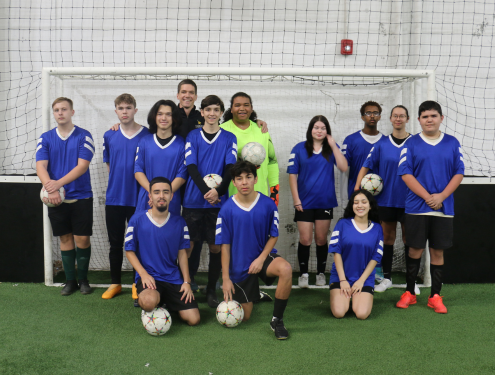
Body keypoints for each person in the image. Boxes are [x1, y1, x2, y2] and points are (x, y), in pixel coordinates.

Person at [396, 101, 464, 314]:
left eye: (433, 116)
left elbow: (459, 172)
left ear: (441, 118)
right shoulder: (411, 143)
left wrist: (442, 196)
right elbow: (406, 173)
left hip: (443, 207)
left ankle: (435, 296)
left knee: (437, 252)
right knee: (414, 249)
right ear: (418, 120)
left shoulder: (452, 143)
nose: (429, 120)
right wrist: (428, 197)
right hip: (417, 206)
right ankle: (409, 293)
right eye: (425, 116)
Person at [216, 161, 293, 340]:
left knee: (286, 269)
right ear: (233, 182)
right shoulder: (226, 210)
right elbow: (224, 246)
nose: (244, 182)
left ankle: (277, 320)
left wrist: (261, 259)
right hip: (240, 266)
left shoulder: (268, 204)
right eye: (239, 179)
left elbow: (273, 235)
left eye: (248, 177)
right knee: (244, 317)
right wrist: (226, 279)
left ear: (255, 179)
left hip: (262, 257)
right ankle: (255, 293)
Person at [36, 97, 95, 296]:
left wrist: (57, 184)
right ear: (53, 113)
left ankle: (83, 279)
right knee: (65, 237)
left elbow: (82, 166)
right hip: (55, 198)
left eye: (64, 109)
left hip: (81, 196)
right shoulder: (45, 138)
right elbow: (40, 165)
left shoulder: (84, 136)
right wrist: (50, 188)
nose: (60, 113)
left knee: (82, 239)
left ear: (72, 112)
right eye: (56, 110)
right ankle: (70, 281)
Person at [182, 95, 237, 307]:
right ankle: (186, 283)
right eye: (208, 109)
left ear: (221, 112)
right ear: (202, 112)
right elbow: (191, 167)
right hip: (193, 201)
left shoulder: (229, 138)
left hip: (218, 203)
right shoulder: (192, 136)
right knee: (189, 246)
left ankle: (212, 289)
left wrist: (218, 192)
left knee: (216, 247)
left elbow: (230, 167)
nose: (212, 113)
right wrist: (208, 191)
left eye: (216, 109)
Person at [125, 177, 200, 326]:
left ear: (171, 196)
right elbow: (129, 251)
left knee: (194, 319)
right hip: (150, 278)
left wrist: (186, 281)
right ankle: (154, 302)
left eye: (166, 192)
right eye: (157, 192)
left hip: (173, 278)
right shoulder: (137, 219)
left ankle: (165, 303)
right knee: (147, 302)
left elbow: (182, 253)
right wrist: (143, 274)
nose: (161, 196)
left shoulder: (179, 222)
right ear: (150, 196)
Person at [354, 105, 412, 293]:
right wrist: (357, 187)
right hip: (386, 200)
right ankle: (386, 278)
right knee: (387, 239)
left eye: (402, 116)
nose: (398, 119)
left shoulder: (415, 143)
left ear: (407, 119)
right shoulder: (381, 144)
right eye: (395, 116)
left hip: (410, 200)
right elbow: (366, 165)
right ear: (390, 119)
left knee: (408, 239)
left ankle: (410, 282)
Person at [288, 115, 348, 288]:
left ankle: (321, 273)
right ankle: (304, 274)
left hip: (324, 202)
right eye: (316, 127)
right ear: (310, 129)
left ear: (327, 131)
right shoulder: (299, 148)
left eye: (323, 128)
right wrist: (296, 199)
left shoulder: (331, 148)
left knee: (321, 239)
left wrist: (333, 144)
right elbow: (292, 175)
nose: (319, 131)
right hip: (304, 203)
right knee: (305, 239)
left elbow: (343, 167)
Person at [102, 94, 149, 300]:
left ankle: (135, 283)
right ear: (116, 111)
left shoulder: (147, 135)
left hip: (138, 199)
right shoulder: (109, 135)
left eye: (128, 108)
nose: (124, 111)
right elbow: (109, 165)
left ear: (135, 110)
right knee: (115, 243)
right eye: (120, 108)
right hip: (114, 199)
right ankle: (115, 283)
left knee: (137, 243)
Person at [329, 190, 384, 320]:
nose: (360, 205)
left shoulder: (377, 228)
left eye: (364, 202)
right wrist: (343, 280)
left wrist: (360, 281)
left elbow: (375, 258)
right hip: (341, 277)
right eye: (356, 202)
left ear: (370, 206)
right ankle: (345, 297)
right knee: (339, 312)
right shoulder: (342, 224)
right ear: (352, 206)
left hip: (363, 279)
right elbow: (336, 252)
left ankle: (358, 297)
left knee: (361, 314)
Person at [220, 92, 279, 206]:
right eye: (237, 105)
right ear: (231, 109)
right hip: (231, 196)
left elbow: (272, 161)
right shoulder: (222, 131)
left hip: (260, 194)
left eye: (246, 105)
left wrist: (274, 191)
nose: (242, 108)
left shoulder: (262, 130)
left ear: (251, 109)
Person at [134, 100, 187, 216]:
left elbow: (182, 175)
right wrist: (154, 194)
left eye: (168, 114)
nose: (164, 118)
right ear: (154, 116)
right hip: (147, 198)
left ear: (174, 118)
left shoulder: (181, 144)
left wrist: (164, 196)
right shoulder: (144, 142)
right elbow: (138, 170)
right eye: (160, 114)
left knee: (169, 233)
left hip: (170, 200)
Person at [342, 101, 384, 200]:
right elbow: (344, 171)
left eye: (376, 113)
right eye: (368, 113)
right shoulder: (350, 140)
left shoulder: (385, 142)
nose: (372, 116)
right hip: (356, 195)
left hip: (380, 198)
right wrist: (344, 199)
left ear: (380, 117)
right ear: (362, 117)